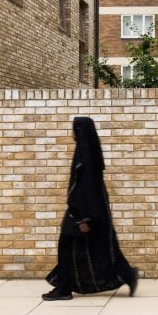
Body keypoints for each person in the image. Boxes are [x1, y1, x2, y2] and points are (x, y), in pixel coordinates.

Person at [43, 116, 138, 300]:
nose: (71, 134)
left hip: (81, 212)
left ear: (79, 131)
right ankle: (127, 275)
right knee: (99, 247)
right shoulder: (86, 153)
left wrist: (83, 218)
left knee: (67, 248)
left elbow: (87, 189)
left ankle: (63, 289)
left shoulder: (85, 157)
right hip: (85, 211)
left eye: (73, 130)